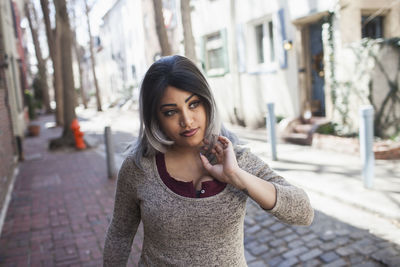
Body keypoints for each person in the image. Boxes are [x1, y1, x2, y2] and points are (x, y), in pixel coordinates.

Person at [103, 55, 314, 266]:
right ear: (155, 118)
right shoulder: (138, 167)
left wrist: (237, 176)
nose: (187, 120)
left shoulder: (236, 158)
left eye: (193, 104)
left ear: (207, 103)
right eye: (170, 112)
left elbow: (304, 212)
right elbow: (119, 235)